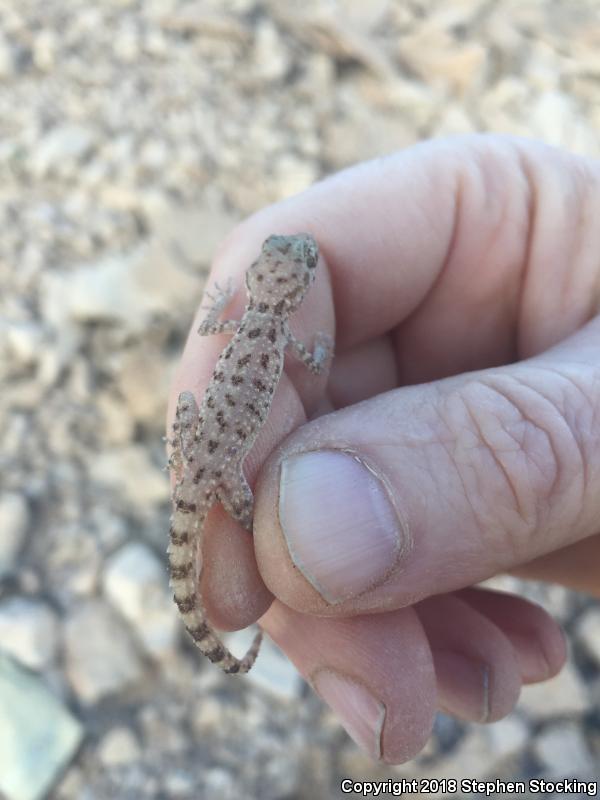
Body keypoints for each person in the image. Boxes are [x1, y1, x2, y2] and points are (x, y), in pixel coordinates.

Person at [169, 134, 600, 764]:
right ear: (285, 291)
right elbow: (316, 358)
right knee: (258, 531)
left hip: (207, 450)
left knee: (222, 483)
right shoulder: (289, 342)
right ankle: (241, 593)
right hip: (224, 469)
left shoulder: (236, 326)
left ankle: (216, 529)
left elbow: (211, 325)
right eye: (289, 261)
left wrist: (214, 307)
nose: (296, 257)